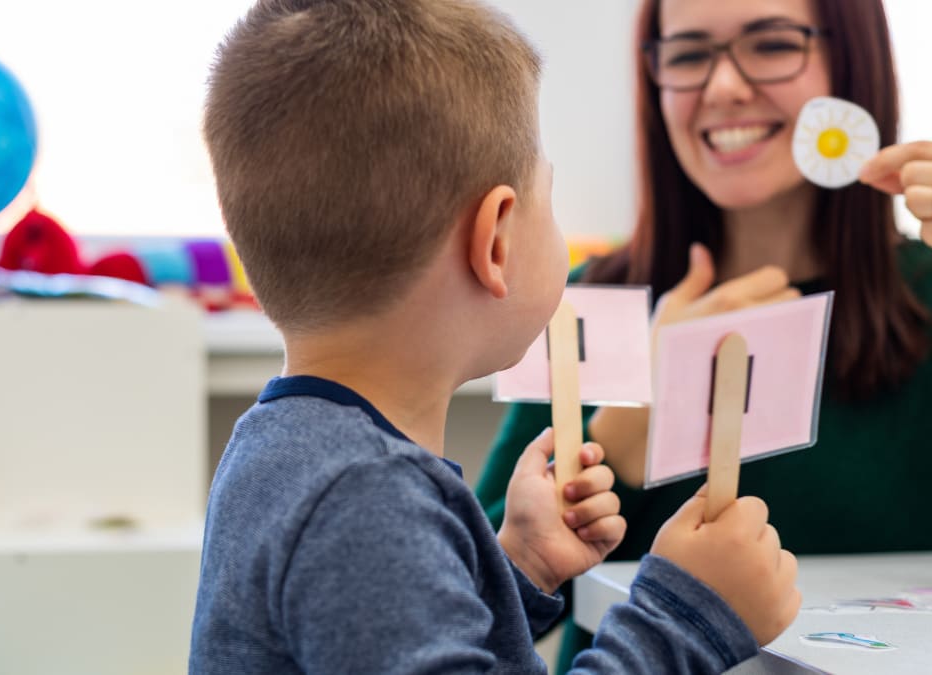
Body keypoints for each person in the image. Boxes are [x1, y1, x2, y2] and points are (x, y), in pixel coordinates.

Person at [475, 0, 932, 668]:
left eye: (771, 45)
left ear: (852, 65)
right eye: (687, 55)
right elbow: (471, 604)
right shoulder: (587, 301)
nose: (723, 87)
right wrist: (629, 426)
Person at [188, 0, 801, 672]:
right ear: (497, 239)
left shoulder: (279, 450)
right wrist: (686, 615)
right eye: (549, 197)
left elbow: (384, 638)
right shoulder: (367, 498)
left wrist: (518, 566)